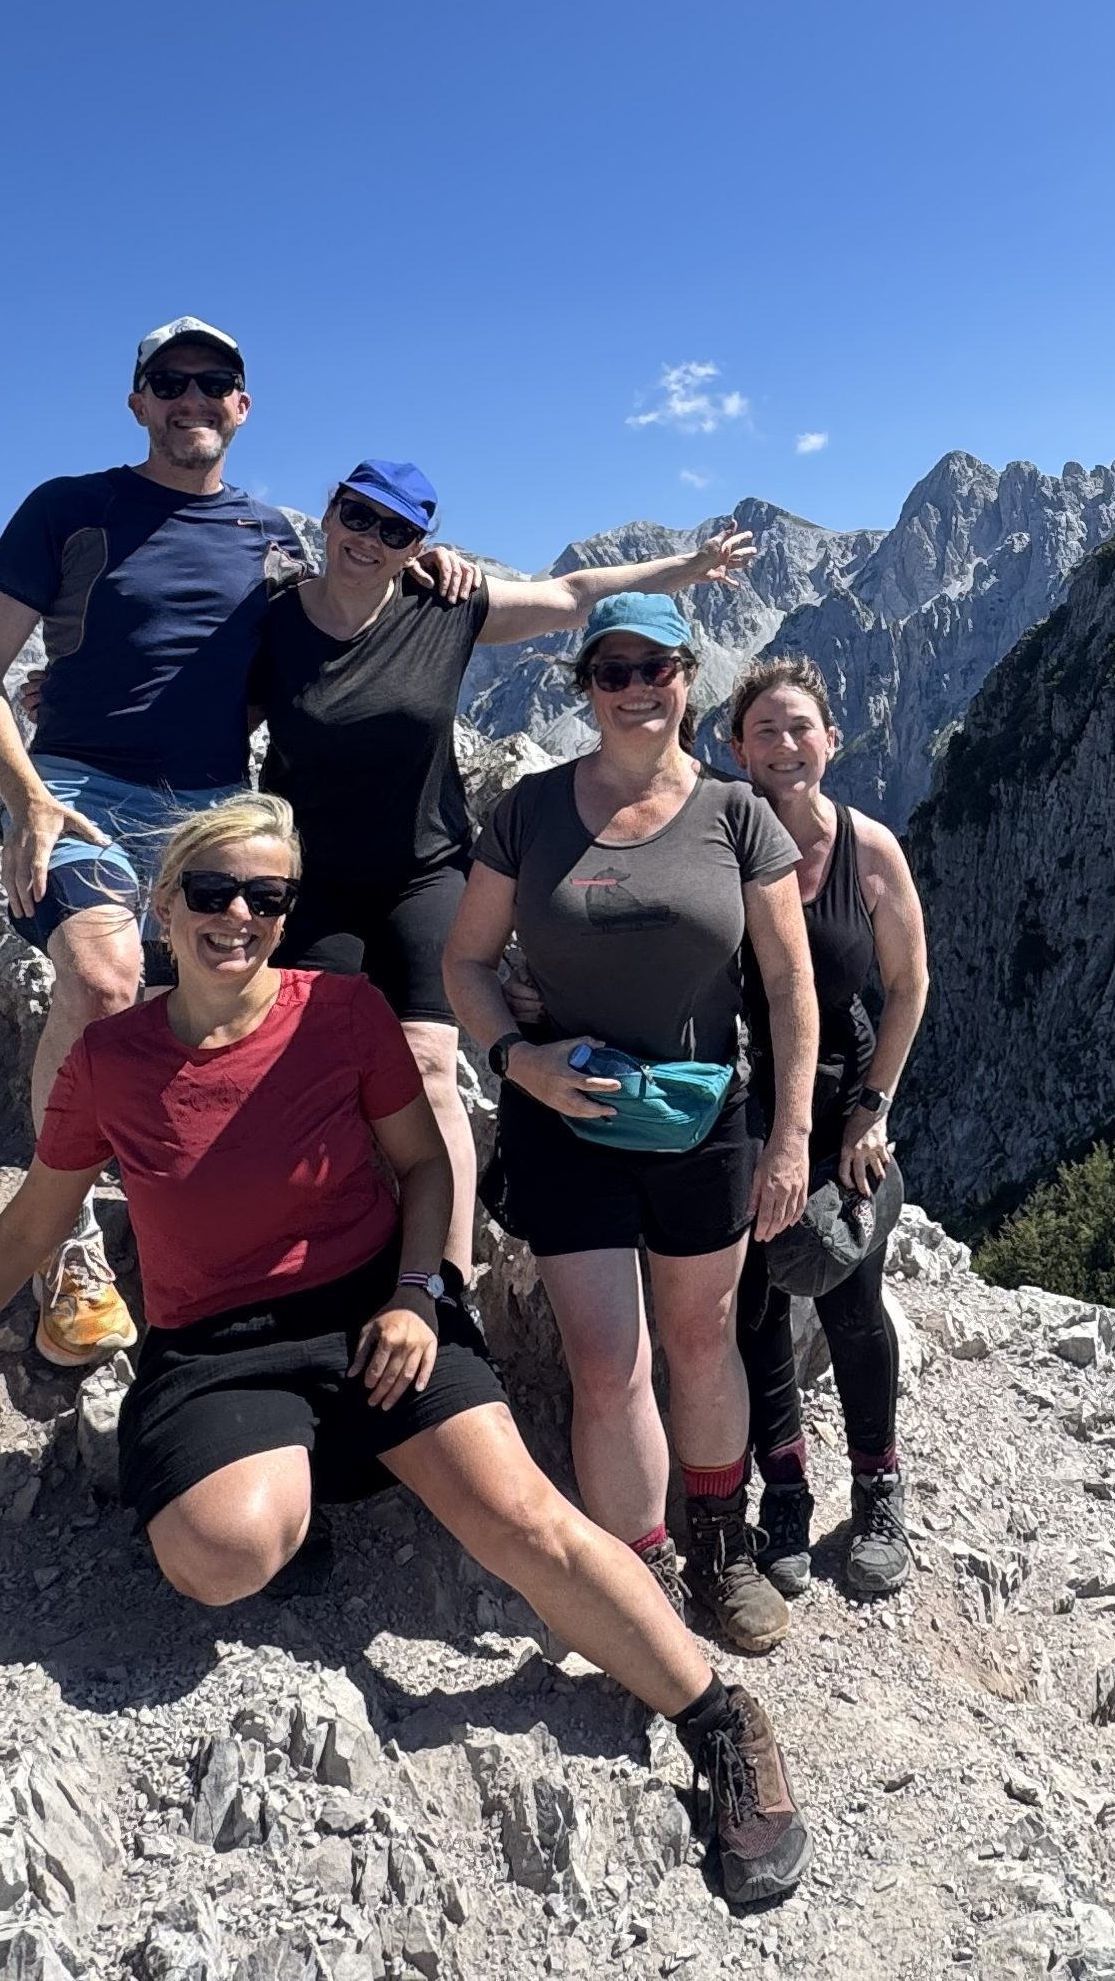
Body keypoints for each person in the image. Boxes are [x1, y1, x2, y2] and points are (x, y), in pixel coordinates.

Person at [0, 797, 810, 1906]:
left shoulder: (341, 1013)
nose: (239, 916)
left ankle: (719, 1720)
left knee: (524, 1521)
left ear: (289, 914)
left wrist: (421, 1297)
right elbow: (33, 1227)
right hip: (214, 1351)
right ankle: (303, 1482)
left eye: (269, 898)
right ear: (164, 903)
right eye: (214, 892)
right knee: (220, 1556)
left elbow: (426, 1171)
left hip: (374, 1312)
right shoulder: (110, 1061)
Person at [0, 320, 449, 1364]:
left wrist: (425, 568)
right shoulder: (70, 508)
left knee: (232, 1005)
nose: (192, 399)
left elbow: (326, 634)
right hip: (76, 782)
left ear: (242, 407)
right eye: (168, 382)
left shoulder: (273, 539)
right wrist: (27, 796)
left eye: (214, 383)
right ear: (137, 403)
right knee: (104, 971)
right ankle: (68, 1250)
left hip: (213, 797)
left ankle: (213, 1209)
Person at [254, 460, 753, 1279]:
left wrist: (690, 569)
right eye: (358, 515)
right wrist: (67, 698)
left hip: (424, 870)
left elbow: (574, 595)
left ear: (421, 543)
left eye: (396, 529)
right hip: (313, 881)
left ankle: (438, 1286)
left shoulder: (444, 605)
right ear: (330, 513)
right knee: (313, 1067)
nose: (369, 539)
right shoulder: (272, 623)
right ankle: (318, 1263)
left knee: (428, 1068)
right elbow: (194, 701)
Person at [443, 594, 821, 1656]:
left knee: (701, 1341)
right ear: (588, 688)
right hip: (566, 1113)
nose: (636, 687)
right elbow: (465, 961)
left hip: (706, 1116)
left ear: (689, 678)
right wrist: (519, 1063)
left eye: (655, 667)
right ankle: (641, 1572)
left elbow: (790, 988)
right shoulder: (529, 810)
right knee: (608, 1363)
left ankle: (720, 1552)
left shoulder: (737, 815)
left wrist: (791, 1136)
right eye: (612, 671)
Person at [716, 659, 930, 1601]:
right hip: (742, 1098)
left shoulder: (869, 851)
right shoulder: (715, 841)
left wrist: (873, 1108)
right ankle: (788, 1491)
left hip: (842, 1100)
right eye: (765, 730)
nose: (786, 746)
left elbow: (910, 984)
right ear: (736, 750)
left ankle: (878, 1489)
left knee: (847, 1291)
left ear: (833, 740)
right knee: (759, 1300)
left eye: (801, 727)